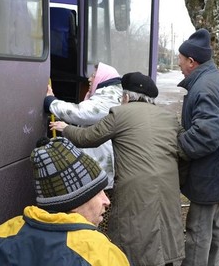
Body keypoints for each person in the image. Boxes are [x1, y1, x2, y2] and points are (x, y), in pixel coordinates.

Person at [53, 72, 185, 266]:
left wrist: (66, 128)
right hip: (169, 185)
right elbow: (183, 150)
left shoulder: (120, 114)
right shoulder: (169, 117)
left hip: (135, 188)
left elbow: (87, 137)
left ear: (126, 97)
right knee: (163, 230)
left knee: (133, 234)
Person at [0, 137, 129, 266]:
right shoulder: (100, 254)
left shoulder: (0, 236)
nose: (106, 200)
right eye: (97, 192)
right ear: (73, 201)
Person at [175, 28, 219, 266]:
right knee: (214, 229)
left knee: (198, 232)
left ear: (192, 61)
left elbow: (208, 134)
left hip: (210, 173)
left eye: (181, 60)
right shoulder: (216, 80)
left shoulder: (204, 86)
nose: (179, 64)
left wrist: (178, 147)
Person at [44, 62, 122, 190]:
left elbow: (81, 112)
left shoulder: (109, 97)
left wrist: (51, 102)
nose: (89, 79)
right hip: (100, 161)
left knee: (101, 203)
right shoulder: (110, 94)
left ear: (103, 77)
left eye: (94, 75)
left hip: (102, 165)